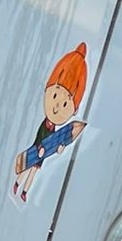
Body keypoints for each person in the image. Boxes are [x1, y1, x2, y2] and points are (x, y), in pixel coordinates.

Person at [13, 44, 89, 203]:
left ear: (74, 111)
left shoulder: (55, 129)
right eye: (55, 96)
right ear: (47, 89)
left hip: (43, 153)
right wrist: (40, 147)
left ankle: (24, 192)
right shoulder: (45, 124)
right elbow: (40, 136)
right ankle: (17, 183)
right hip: (36, 150)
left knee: (33, 171)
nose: (56, 108)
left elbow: (56, 141)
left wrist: (60, 147)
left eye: (65, 104)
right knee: (27, 166)